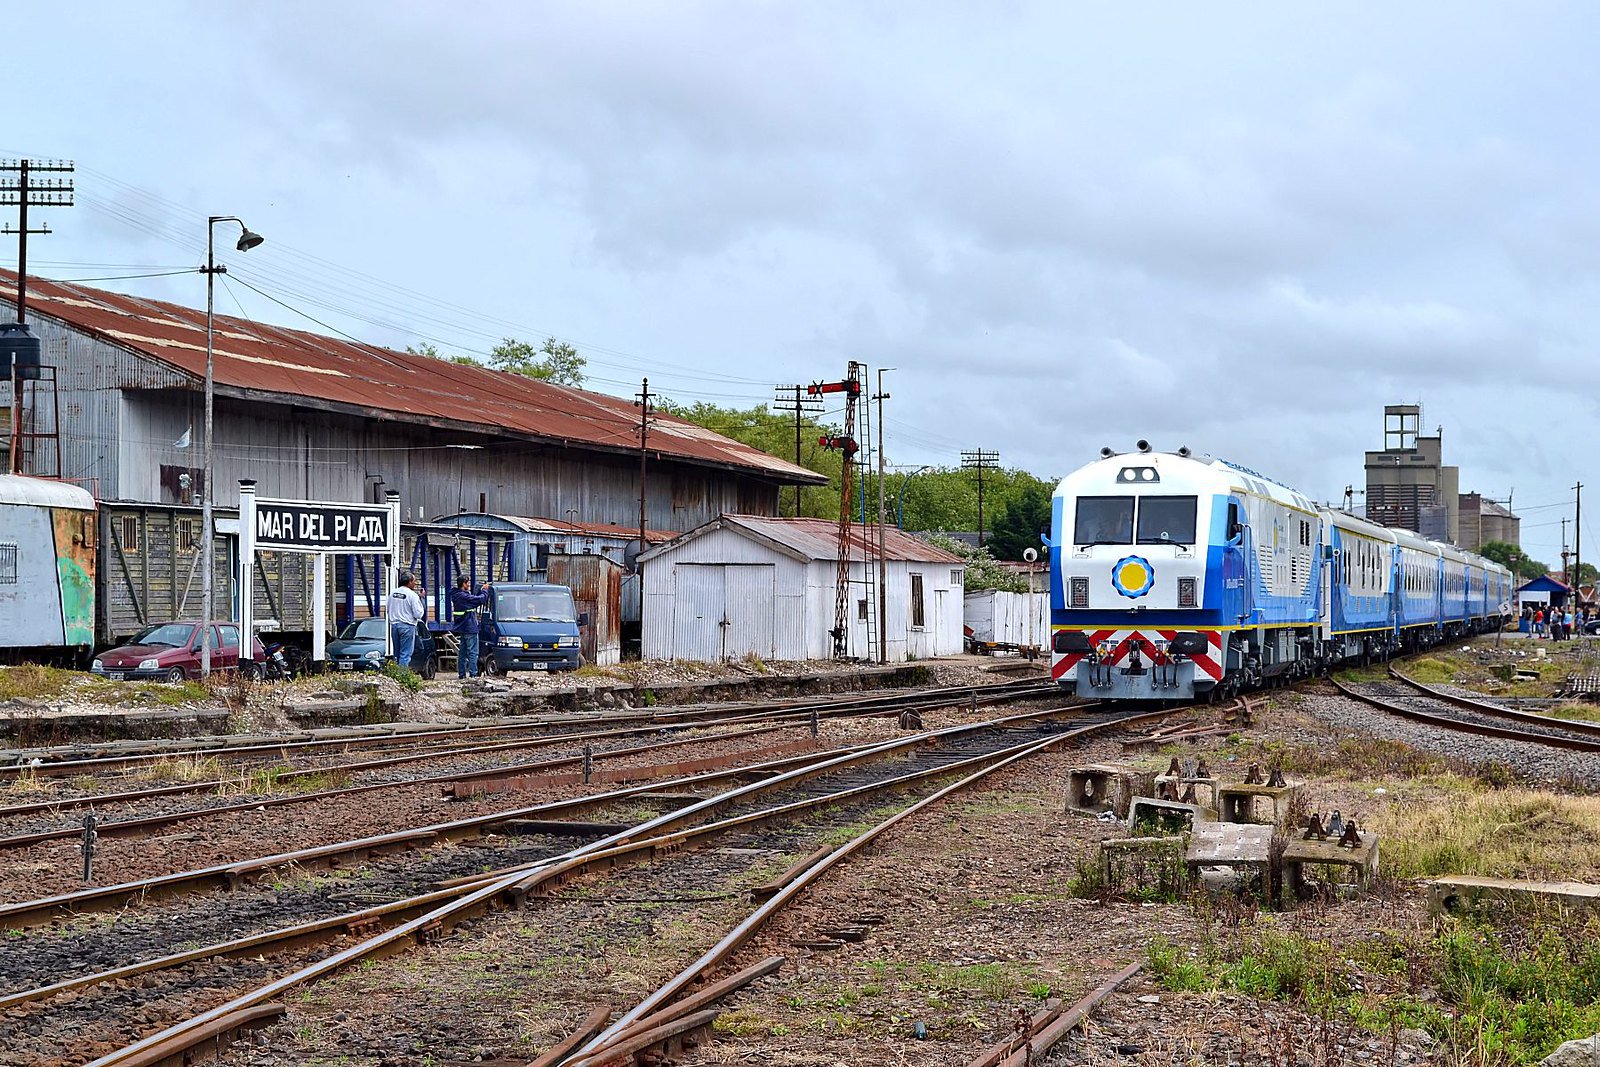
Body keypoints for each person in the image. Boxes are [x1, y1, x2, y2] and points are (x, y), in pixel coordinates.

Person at [450, 576, 490, 678]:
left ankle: (462, 674)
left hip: (462, 627)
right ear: (463, 584)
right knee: (473, 653)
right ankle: (473, 674)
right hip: (470, 628)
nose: (469, 585)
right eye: (467, 583)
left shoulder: (456, 595)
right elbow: (481, 600)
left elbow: (473, 601)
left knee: (462, 653)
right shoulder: (463, 597)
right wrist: (484, 590)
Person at [387, 571, 426, 669]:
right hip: (407, 626)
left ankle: (395, 675)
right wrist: (422, 600)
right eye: (414, 581)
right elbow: (418, 614)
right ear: (409, 582)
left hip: (394, 625)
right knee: (405, 654)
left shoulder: (393, 593)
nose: (415, 583)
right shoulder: (412, 595)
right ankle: (402, 677)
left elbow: (388, 609)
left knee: (397, 653)